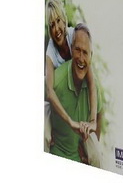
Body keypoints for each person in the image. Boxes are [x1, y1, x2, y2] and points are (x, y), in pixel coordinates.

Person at [44, 0, 98, 159]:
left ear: (64, 19)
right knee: (44, 134)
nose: (56, 29)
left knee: (94, 152)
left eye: (58, 21)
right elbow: (49, 92)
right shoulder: (50, 51)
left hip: (77, 98)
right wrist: (69, 122)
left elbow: (91, 82)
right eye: (51, 25)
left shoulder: (74, 35)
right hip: (59, 101)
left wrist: (93, 120)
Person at [49, 22, 102, 165]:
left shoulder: (94, 86)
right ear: (71, 49)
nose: (81, 58)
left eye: (85, 52)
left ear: (91, 56)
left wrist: (90, 148)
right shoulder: (57, 80)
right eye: (77, 50)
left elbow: (99, 113)